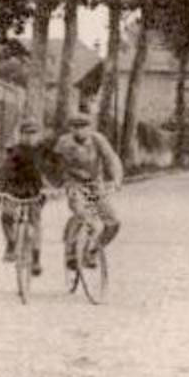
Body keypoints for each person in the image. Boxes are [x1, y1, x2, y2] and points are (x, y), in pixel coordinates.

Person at [51, 109, 125, 267]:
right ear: (71, 129)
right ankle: (71, 250)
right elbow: (54, 165)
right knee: (81, 212)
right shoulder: (64, 143)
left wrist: (116, 180)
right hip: (74, 183)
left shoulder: (98, 140)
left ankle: (93, 251)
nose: (80, 130)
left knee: (113, 223)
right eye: (75, 127)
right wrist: (56, 185)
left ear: (90, 128)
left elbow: (111, 159)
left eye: (84, 126)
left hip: (94, 185)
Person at [0, 120, 52, 274]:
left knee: (36, 224)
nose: (29, 137)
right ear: (20, 135)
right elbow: (5, 171)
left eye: (33, 134)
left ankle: (36, 259)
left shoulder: (43, 152)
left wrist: (51, 187)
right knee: (6, 215)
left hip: (35, 191)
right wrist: (0, 190)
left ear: (38, 135)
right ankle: (11, 243)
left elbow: (51, 171)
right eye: (26, 134)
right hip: (15, 189)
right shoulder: (14, 151)